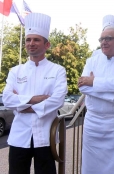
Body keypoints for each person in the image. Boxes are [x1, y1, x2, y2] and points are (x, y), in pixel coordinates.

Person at [3, 12, 67, 174]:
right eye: (28, 40)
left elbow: (57, 100)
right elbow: (7, 99)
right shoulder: (15, 71)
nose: (31, 43)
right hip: (19, 136)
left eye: (36, 39)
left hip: (45, 138)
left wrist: (22, 105)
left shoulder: (57, 70)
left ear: (47, 45)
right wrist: (36, 99)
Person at [79, 27, 114, 174]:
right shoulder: (91, 61)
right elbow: (82, 87)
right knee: (91, 165)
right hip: (93, 122)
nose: (103, 42)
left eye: (108, 39)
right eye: (101, 39)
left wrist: (94, 82)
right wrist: (113, 92)